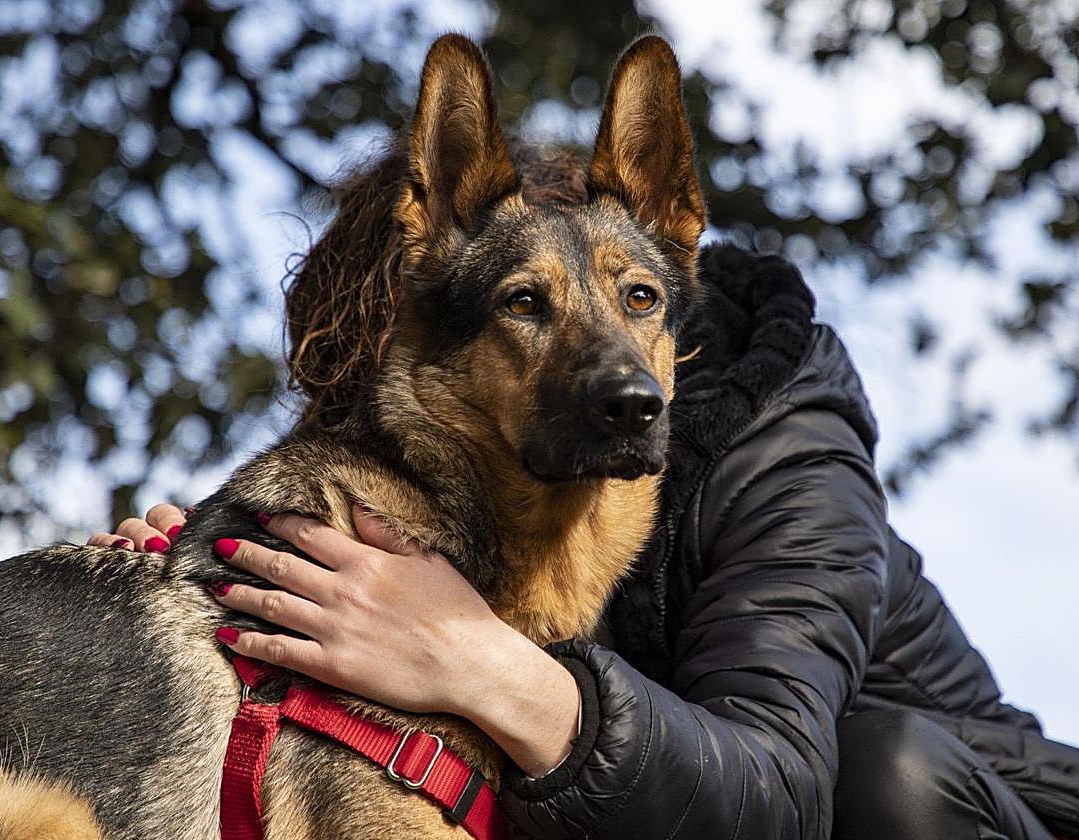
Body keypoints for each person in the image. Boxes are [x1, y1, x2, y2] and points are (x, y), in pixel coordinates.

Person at [90, 151, 1079, 839]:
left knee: (884, 774)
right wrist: (205, 589)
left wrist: (481, 662)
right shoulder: (437, 441)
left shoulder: (784, 448)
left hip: (943, 809)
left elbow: (778, 799)